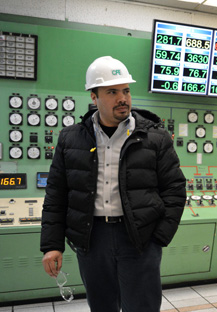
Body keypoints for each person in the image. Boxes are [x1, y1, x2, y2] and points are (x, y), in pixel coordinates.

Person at [40, 56, 187, 312]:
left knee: (142, 307)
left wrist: (158, 238)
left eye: (126, 90)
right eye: (112, 91)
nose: (123, 98)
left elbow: (175, 190)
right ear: (94, 97)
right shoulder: (70, 139)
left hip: (139, 237)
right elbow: (57, 195)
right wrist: (52, 245)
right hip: (91, 238)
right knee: (101, 306)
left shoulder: (155, 138)